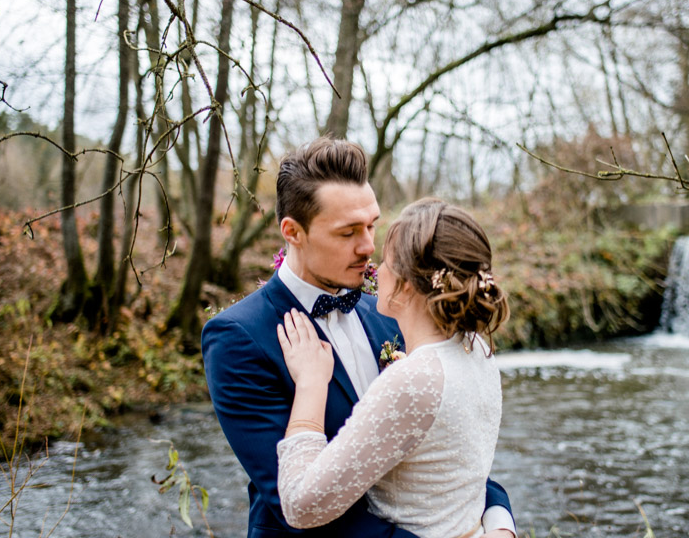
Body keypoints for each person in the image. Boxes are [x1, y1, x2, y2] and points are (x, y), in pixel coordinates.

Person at [202, 138, 516, 538]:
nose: (369, 247)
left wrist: (498, 519)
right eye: (348, 232)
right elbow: (294, 506)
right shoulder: (239, 337)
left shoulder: (391, 312)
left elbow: (442, 459)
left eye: (371, 225)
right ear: (293, 232)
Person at [276, 198, 509, 538]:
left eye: (386, 260)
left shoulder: (415, 378)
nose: (376, 268)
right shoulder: (477, 349)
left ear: (407, 283)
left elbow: (301, 506)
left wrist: (311, 385)